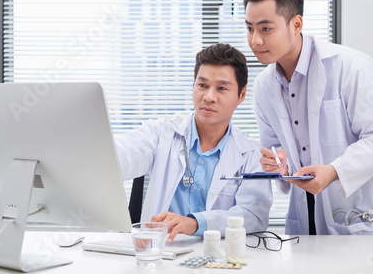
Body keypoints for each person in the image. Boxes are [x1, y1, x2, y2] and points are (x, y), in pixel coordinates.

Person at [243, 0, 373, 235]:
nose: (255, 41)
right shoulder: (263, 86)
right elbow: (275, 147)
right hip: (305, 221)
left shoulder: (349, 66)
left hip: (356, 216)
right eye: (249, 28)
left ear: (296, 24)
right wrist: (277, 163)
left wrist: (333, 171)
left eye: (265, 28)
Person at [114, 43, 272, 241]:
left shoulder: (251, 154)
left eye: (221, 88)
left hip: (219, 259)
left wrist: (196, 223)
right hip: (162, 253)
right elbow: (121, 155)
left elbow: (253, 216)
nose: (209, 97)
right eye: (202, 85)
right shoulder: (161, 133)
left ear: (241, 95)